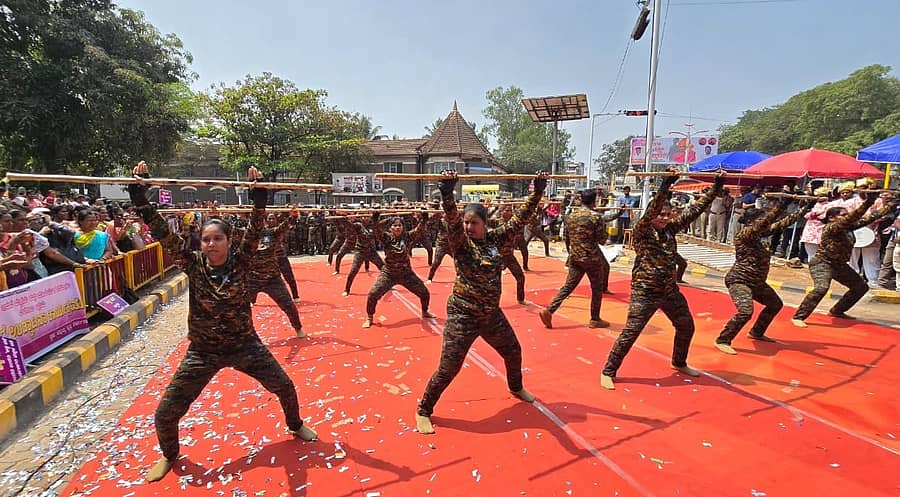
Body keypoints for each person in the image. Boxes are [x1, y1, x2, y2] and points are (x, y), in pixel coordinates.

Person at [127, 164, 316, 483]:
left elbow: (256, 231)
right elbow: (163, 233)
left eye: (217, 239)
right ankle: (170, 455)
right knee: (165, 413)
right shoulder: (192, 264)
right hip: (203, 352)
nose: (211, 244)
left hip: (246, 346)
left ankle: (295, 425)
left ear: (230, 241)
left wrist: (258, 198)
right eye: (206, 240)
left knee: (284, 386)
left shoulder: (242, 262)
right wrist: (139, 195)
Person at [416, 170, 548, 435]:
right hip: (463, 316)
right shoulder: (461, 244)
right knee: (449, 367)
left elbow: (521, 216)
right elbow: (452, 221)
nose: (468, 227)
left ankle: (515, 387)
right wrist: (446, 193)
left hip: (490, 315)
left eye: (473, 222)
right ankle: (424, 410)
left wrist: (537, 191)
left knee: (513, 351)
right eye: (466, 222)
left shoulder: (497, 239)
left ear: (485, 223)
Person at [600, 170, 724, 390]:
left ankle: (679, 362)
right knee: (631, 332)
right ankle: (608, 370)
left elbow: (695, 210)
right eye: (661, 214)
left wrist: (716, 187)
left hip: (669, 291)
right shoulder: (642, 230)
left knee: (686, 326)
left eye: (668, 214)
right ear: (652, 213)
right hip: (645, 292)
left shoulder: (670, 230)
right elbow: (652, 211)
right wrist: (666, 184)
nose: (665, 218)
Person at [714, 198, 810, 354]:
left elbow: (783, 223)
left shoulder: (762, 234)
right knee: (745, 311)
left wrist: (805, 209)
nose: (765, 223)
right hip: (740, 280)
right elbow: (768, 221)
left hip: (757, 282)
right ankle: (723, 339)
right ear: (751, 222)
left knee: (775, 304)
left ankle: (757, 332)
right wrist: (782, 204)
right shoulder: (745, 234)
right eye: (761, 220)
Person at [791, 192, 898, 327]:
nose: (847, 217)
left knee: (860, 287)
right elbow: (854, 216)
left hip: (839, 265)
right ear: (831, 218)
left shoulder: (848, 227)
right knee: (821, 288)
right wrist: (868, 202)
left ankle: (837, 311)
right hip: (822, 263)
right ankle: (798, 316)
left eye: (847, 214)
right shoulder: (831, 227)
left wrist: (893, 204)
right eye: (843, 215)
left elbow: (872, 217)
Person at [540, 188, 620, 329]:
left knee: (568, 287)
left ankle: (549, 310)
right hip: (592, 258)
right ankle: (595, 319)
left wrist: (571, 251)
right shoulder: (596, 217)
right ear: (594, 201)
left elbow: (567, 238)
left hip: (575, 256)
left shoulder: (570, 217)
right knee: (596, 289)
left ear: (581, 200)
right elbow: (602, 240)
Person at [362, 213, 434, 328]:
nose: (397, 227)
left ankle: (425, 311)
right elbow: (377, 232)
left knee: (424, 293)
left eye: (399, 225)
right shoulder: (386, 238)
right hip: (389, 274)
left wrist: (424, 219)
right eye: (394, 226)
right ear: (390, 228)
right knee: (372, 294)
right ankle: (370, 317)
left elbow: (419, 230)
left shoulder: (407, 236)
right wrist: (375, 219)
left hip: (407, 274)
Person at [248, 211, 305, 337]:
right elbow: (226, 230)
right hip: (252, 279)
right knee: (237, 308)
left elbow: (286, 225)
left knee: (289, 306)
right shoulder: (246, 235)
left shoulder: (271, 233)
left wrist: (293, 216)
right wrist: (214, 216)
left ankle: (298, 328)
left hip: (272, 279)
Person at [489, 205, 529, 305]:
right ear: (502, 212)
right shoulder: (496, 222)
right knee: (495, 282)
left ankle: (520, 299)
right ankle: (493, 303)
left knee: (520, 277)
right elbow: (484, 219)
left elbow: (525, 217)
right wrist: (492, 208)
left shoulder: (514, 223)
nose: (510, 213)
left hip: (509, 256)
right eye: (507, 210)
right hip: (498, 257)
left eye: (511, 211)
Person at [343, 216, 385, 296]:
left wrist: (377, 213)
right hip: (360, 251)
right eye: (364, 217)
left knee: (383, 267)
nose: (365, 218)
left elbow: (384, 222)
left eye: (367, 217)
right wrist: (344, 217)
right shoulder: (358, 225)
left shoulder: (373, 225)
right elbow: (348, 225)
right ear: (361, 218)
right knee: (353, 270)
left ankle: (387, 285)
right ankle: (347, 289)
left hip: (371, 251)